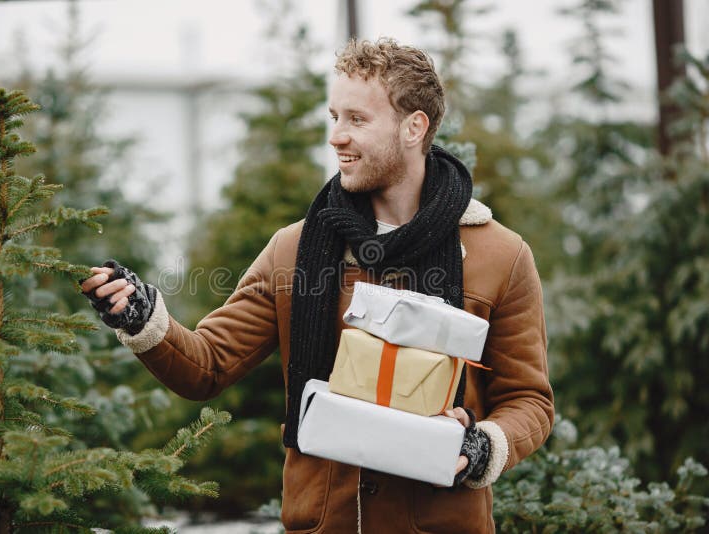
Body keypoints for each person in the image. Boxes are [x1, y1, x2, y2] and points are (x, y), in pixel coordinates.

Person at [81, 38, 554, 534]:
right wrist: (143, 317)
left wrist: (483, 445)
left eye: (357, 119)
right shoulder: (294, 249)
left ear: (414, 127)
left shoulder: (500, 256)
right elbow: (207, 366)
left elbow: (530, 400)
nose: (336, 137)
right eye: (334, 117)